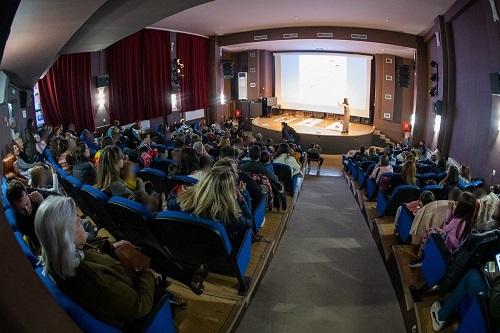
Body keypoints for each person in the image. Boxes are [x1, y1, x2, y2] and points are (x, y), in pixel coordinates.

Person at [33, 196, 205, 328]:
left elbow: (90, 252)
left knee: (147, 248)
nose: (81, 220)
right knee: (154, 261)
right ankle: (182, 286)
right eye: (75, 222)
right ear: (65, 237)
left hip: (123, 280)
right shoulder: (93, 278)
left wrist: (112, 246)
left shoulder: (60, 255)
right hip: (138, 304)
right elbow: (140, 305)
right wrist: (149, 275)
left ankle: (188, 280)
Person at [169, 166, 252, 245]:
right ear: (228, 191)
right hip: (216, 253)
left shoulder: (177, 201)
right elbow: (249, 222)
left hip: (186, 247)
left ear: (205, 182)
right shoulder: (230, 217)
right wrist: (241, 199)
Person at [410, 191, 477, 267]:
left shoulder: (457, 220)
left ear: (460, 207)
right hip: (456, 249)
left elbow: (445, 228)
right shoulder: (469, 221)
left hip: (448, 248)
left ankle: (421, 257)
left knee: (429, 230)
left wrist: (449, 210)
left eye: (458, 202)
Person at [430, 269, 500, 331]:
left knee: (472, 277)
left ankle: (440, 317)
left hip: (492, 321)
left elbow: (494, 307)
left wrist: (497, 278)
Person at [6, 180, 45, 251]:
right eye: (21, 209)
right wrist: (42, 203)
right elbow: (45, 231)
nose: (27, 211)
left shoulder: (34, 195)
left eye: (27, 203)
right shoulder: (21, 223)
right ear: (14, 208)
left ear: (28, 194)